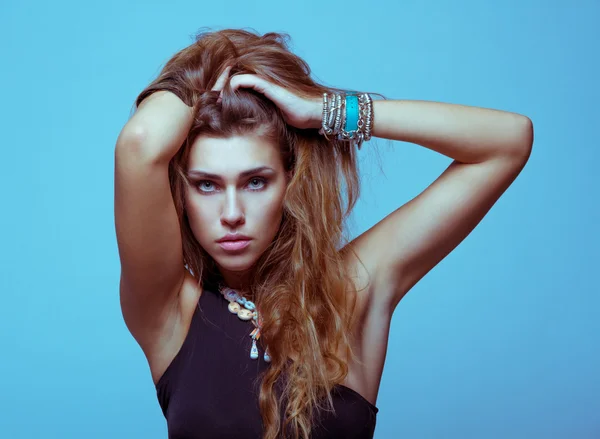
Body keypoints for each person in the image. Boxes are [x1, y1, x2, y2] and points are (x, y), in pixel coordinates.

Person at [113, 29, 533, 439]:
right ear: (181, 194)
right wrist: (206, 69)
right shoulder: (170, 311)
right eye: (207, 185)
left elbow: (507, 142)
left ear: (289, 183)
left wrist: (325, 111)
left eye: (256, 181)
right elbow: (140, 142)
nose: (232, 213)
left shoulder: (351, 291)